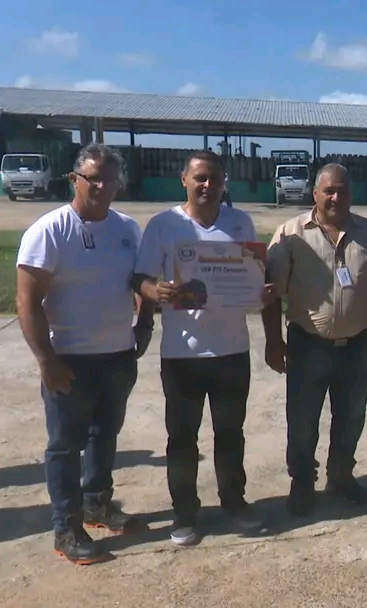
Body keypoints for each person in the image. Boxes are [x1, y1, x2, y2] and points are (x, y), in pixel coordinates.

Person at [15, 143, 153, 565]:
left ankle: (97, 503)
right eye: (93, 178)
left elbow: (141, 280)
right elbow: (26, 301)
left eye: (110, 179)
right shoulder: (49, 230)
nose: (102, 186)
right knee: (64, 445)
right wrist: (46, 361)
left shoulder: (127, 228)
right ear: (74, 179)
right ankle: (66, 527)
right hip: (68, 358)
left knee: (104, 435)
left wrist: (145, 323)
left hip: (117, 355)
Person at [133, 150, 269, 547]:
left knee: (230, 433)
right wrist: (155, 291)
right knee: (181, 438)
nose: (208, 185)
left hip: (231, 349)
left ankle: (234, 502)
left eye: (215, 178)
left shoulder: (239, 222)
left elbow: (253, 276)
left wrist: (261, 292)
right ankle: (185, 513)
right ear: (184, 180)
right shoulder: (164, 225)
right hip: (182, 353)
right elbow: (140, 278)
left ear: (225, 183)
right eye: (200, 178)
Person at [262, 163, 367, 516]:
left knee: (351, 417)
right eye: (329, 191)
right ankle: (302, 482)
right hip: (308, 345)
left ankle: (340, 475)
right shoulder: (290, 234)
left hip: (357, 345)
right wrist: (273, 341)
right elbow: (270, 293)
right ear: (315, 194)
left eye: (342, 191)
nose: (336, 197)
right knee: (303, 420)